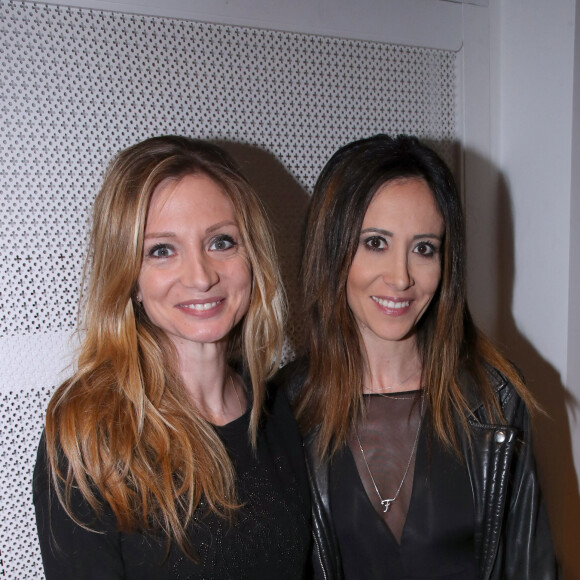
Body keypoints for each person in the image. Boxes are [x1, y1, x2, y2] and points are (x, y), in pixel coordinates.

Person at [33, 136, 311, 579]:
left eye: (221, 241)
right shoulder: (91, 436)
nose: (201, 276)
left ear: (253, 255)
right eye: (162, 250)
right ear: (130, 277)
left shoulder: (278, 412)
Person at [285, 134, 558, 579]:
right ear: (332, 251)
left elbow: (532, 568)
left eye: (424, 248)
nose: (401, 277)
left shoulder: (495, 401)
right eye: (375, 242)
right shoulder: (284, 408)